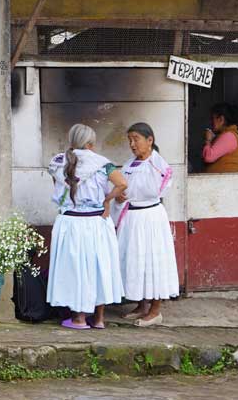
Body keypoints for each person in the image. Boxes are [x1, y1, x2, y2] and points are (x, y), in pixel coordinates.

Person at [47, 123, 127, 330]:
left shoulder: (57, 162)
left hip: (71, 223)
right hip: (97, 222)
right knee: (98, 267)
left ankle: (79, 319)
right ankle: (99, 319)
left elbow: (58, 190)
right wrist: (106, 200)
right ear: (90, 144)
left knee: (76, 269)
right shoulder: (103, 163)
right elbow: (122, 184)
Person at [117, 122, 180, 327]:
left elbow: (158, 188)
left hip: (150, 218)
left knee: (153, 261)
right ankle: (141, 305)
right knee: (136, 260)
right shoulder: (129, 165)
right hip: (132, 218)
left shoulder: (157, 164)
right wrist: (119, 197)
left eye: (136, 139)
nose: (132, 144)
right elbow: (122, 188)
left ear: (149, 140)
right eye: (130, 140)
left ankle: (155, 310)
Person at [202, 103, 238, 173]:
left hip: (224, 181)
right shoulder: (228, 134)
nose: (211, 122)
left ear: (221, 119)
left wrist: (208, 140)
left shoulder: (229, 136)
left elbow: (208, 157)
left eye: (213, 118)